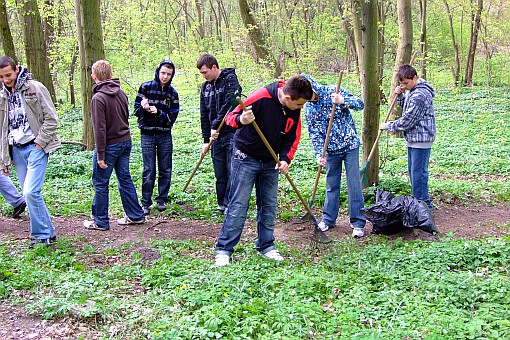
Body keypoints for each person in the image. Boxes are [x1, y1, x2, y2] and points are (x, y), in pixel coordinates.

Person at [214, 75, 313, 267]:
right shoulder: (261, 97)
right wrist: (242, 119)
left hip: (271, 161)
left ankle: (266, 245)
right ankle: (224, 250)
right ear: (287, 99)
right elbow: (230, 118)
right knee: (238, 205)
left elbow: (292, 136)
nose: (301, 109)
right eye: (299, 105)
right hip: (246, 157)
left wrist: (285, 159)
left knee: (269, 205)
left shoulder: (294, 107)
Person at [0, 56, 60, 246]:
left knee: (30, 192)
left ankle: (41, 236)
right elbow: (2, 129)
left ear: (16, 69)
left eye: (8, 75)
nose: (6, 80)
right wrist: (3, 158)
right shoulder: (2, 96)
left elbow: (52, 119)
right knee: (32, 194)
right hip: (16, 150)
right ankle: (48, 232)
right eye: (1, 77)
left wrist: (40, 144)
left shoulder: (35, 87)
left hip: (35, 146)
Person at [83, 60, 145, 231]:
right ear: (110, 75)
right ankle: (136, 215)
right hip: (125, 142)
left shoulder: (98, 98)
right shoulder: (121, 93)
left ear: (94, 77)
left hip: (110, 145)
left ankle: (100, 221)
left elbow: (99, 129)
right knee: (124, 178)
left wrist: (101, 155)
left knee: (100, 182)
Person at [302, 74, 366, 238]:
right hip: (330, 151)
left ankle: (358, 223)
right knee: (331, 185)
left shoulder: (333, 91)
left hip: (350, 146)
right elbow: (314, 133)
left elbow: (360, 104)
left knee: (354, 184)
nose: (311, 98)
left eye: (312, 94)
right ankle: (328, 219)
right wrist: (318, 154)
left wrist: (343, 100)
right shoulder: (309, 107)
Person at [380, 64, 436, 210]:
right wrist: (400, 97)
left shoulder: (420, 95)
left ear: (415, 78)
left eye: (406, 83)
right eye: (401, 84)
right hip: (414, 139)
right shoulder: (413, 90)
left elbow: (408, 120)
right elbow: (408, 107)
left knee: (418, 176)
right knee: (414, 174)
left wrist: (389, 126)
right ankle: (421, 206)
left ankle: (423, 208)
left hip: (421, 138)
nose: (404, 86)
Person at [196, 53, 242, 217]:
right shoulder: (205, 87)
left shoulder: (231, 80)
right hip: (214, 137)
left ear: (214, 67)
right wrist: (205, 138)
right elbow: (204, 113)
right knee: (219, 173)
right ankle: (222, 204)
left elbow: (231, 104)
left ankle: (232, 205)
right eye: (202, 73)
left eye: (205, 72)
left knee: (232, 171)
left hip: (230, 134)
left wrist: (216, 126)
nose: (204, 76)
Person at [133, 58, 179, 215]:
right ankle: (145, 202)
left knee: (165, 168)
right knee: (149, 169)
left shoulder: (173, 93)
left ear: (172, 76)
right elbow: (135, 111)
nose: (165, 76)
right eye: (163, 73)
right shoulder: (146, 87)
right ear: (158, 72)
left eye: (168, 74)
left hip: (164, 134)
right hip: (147, 134)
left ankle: (161, 199)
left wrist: (159, 113)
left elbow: (172, 118)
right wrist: (143, 108)